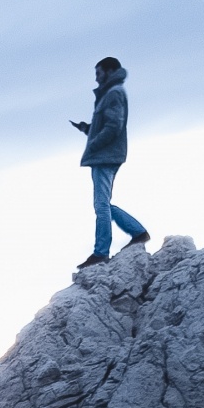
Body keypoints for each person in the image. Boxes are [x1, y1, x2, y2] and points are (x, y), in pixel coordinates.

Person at [70, 58, 150, 268]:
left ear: (110, 71)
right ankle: (138, 232)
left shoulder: (114, 93)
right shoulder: (109, 94)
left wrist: (94, 144)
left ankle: (101, 252)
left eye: (99, 72)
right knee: (103, 203)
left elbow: (114, 126)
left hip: (105, 156)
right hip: (105, 155)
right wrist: (87, 129)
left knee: (101, 205)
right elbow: (106, 126)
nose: (96, 77)